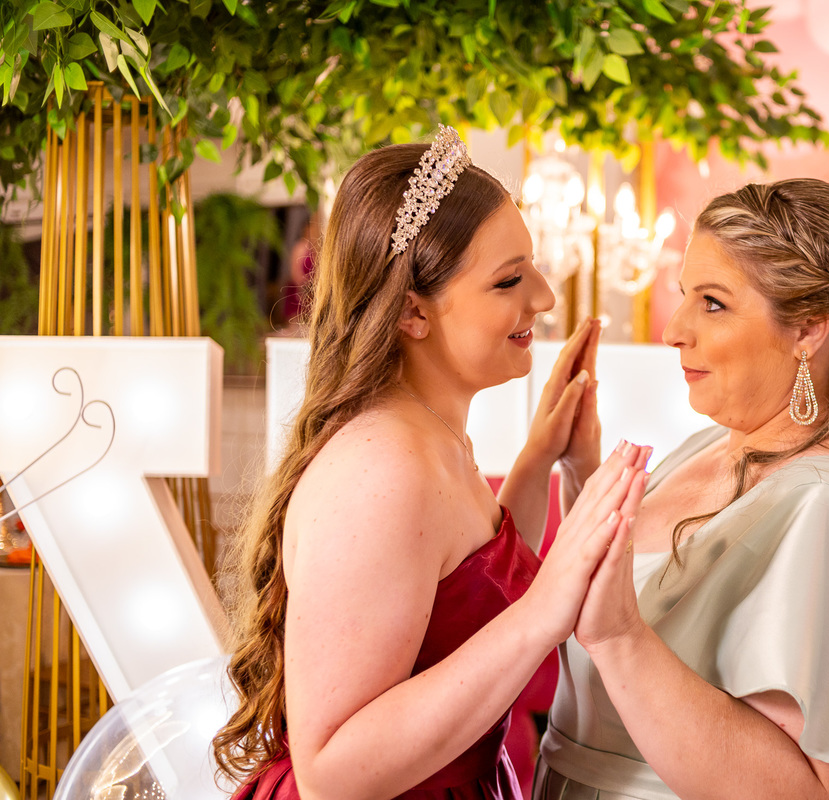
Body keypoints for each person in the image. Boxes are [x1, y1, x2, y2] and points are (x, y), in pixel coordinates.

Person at [212, 126, 649, 800]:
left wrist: (541, 459)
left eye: (531, 267)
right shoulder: (381, 471)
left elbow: (470, 592)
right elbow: (331, 774)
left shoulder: (432, 435)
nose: (544, 297)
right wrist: (544, 611)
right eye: (509, 280)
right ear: (413, 312)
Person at [534, 179, 829, 800]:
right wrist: (580, 473)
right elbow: (645, 615)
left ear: (807, 328)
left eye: (712, 303)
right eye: (685, 294)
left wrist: (621, 638)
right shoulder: (712, 445)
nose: (674, 329)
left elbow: (804, 792)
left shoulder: (824, 508)